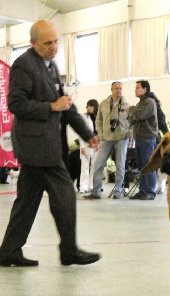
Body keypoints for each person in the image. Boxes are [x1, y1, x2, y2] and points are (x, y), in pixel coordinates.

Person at [0, 20, 101, 267]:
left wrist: (87, 133)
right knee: (65, 195)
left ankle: (9, 251)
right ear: (33, 43)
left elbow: (66, 105)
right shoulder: (24, 65)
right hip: (38, 147)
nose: (53, 47)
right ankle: (69, 251)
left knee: (27, 201)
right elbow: (16, 104)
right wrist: (50, 107)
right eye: (47, 43)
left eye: (56, 41)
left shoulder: (50, 66)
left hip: (44, 146)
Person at [84, 82, 130, 200]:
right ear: (111, 89)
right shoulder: (104, 104)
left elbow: (132, 122)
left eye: (120, 88)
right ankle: (96, 192)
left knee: (120, 166)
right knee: (98, 164)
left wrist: (128, 134)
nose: (118, 91)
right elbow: (98, 120)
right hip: (106, 139)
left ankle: (118, 191)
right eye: (116, 88)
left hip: (121, 139)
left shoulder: (126, 105)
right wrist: (100, 134)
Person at [129, 80, 158, 200]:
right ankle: (142, 191)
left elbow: (139, 115)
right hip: (140, 139)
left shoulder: (149, 102)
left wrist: (131, 110)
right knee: (141, 165)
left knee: (148, 165)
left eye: (138, 87)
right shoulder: (140, 103)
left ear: (145, 89)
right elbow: (134, 119)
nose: (135, 89)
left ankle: (150, 192)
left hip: (148, 139)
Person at [78, 99, 99, 193]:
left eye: (91, 106)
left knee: (94, 166)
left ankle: (91, 185)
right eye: (88, 106)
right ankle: (83, 186)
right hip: (86, 145)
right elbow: (81, 132)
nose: (89, 108)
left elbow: (100, 132)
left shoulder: (99, 117)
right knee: (84, 167)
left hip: (96, 145)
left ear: (95, 107)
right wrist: (82, 146)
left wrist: (99, 144)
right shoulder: (84, 117)